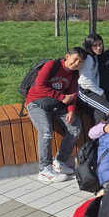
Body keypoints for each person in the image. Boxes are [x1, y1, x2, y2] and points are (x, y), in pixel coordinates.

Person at [26, 47, 86, 182]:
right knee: (46, 132)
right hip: (37, 103)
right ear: (67, 56)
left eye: (80, 61)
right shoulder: (51, 65)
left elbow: (72, 94)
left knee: (75, 127)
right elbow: (39, 86)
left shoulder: (74, 74)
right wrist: (61, 96)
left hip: (56, 106)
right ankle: (44, 170)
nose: (76, 63)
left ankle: (59, 161)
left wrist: (71, 110)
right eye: (75, 59)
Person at [77, 33, 109, 123]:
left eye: (100, 44)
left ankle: (98, 132)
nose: (98, 48)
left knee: (100, 113)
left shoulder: (95, 57)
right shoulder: (88, 59)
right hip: (84, 93)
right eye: (95, 45)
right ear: (89, 46)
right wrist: (100, 92)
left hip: (92, 92)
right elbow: (84, 81)